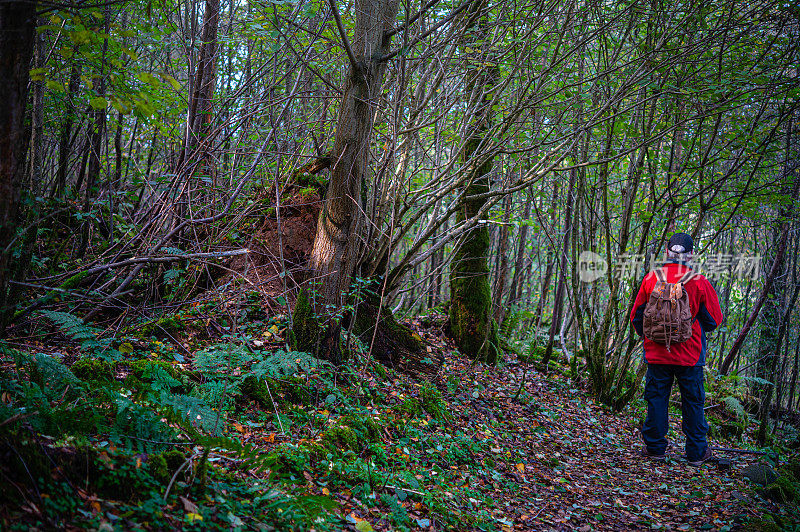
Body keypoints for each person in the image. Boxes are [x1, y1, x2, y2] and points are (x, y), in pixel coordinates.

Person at [630, 232, 723, 466]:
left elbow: (636, 316)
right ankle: (696, 453)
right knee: (693, 402)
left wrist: (652, 337)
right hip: (690, 355)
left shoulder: (651, 278)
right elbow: (714, 321)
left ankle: (655, 449)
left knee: (657, 399)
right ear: (691, 255)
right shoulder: (698, 281)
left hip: (656, 353)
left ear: (667, 253)